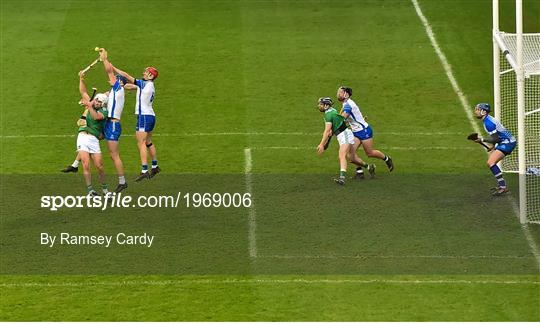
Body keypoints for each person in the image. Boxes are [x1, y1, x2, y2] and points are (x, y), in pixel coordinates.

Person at [112, 64, 160, 182]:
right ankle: (155, 166)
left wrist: (112, 67)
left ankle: (144, 170)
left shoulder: (145, 84)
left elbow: (127, 76)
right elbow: (131, 86)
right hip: (151, 116)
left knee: (141, 142)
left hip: (144, 117)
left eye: (146, 72)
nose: (143, 73)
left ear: (150, 75)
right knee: (148, 142)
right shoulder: (147, 85)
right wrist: (121, 85)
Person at [337, 86, 394, 174]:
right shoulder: (345, 104)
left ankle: (387, 158)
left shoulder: (348, 105)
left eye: (340, 92)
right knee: (350, 155)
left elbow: (342, 119)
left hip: (364, 131)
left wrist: (334, 125)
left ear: (346, 95)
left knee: (370, 153)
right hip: (355, 132)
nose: (338, 94)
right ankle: (361, 170)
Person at [316, 97, 372, 185]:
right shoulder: (332, 111)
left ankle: (342, 178)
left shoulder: (328, 115)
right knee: (352, 157)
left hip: (344, 135)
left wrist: (322, 144)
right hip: (342, 134)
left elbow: (326, 131)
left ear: (326, 106)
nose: (319, 106)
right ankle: (369, 167)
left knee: (342, 155)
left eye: (321, 104)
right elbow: (339, 122)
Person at [98, 48, 131, 193]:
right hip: (108, 123)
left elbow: (109, 72)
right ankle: (76, 163)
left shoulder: (118, 89)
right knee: (94, 136)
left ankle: (122, 182)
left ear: (120, 82)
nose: (113, 80)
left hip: (112, 125)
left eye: (117, 79)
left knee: (113, 155)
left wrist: (104, 59)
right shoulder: (114, 91)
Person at [77, 71, 109, 196]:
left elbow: (96, 117)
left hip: (94, 140)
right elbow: (83, 92)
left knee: (99, 166)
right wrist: (81, 79)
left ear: (103, 104)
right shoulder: (92, 103)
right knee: (85, 164)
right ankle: (90, 190)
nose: (96, 102)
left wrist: (89, 106)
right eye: (96, 100)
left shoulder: (104, 112)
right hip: (82, 137)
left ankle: (105, 189)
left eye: (99, 102)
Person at [473, 103, 516, 196]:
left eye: (477, 109)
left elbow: (496, 139)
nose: (475, 111)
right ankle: (502, 186)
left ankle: (503, 187)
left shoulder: (489, 123)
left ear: (483, 112)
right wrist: (493, 146)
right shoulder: (487, 120)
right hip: (503, 141)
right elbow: (496, 137)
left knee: (491, 162)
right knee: (491, 163)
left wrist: (482, 140)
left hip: (508, 143)